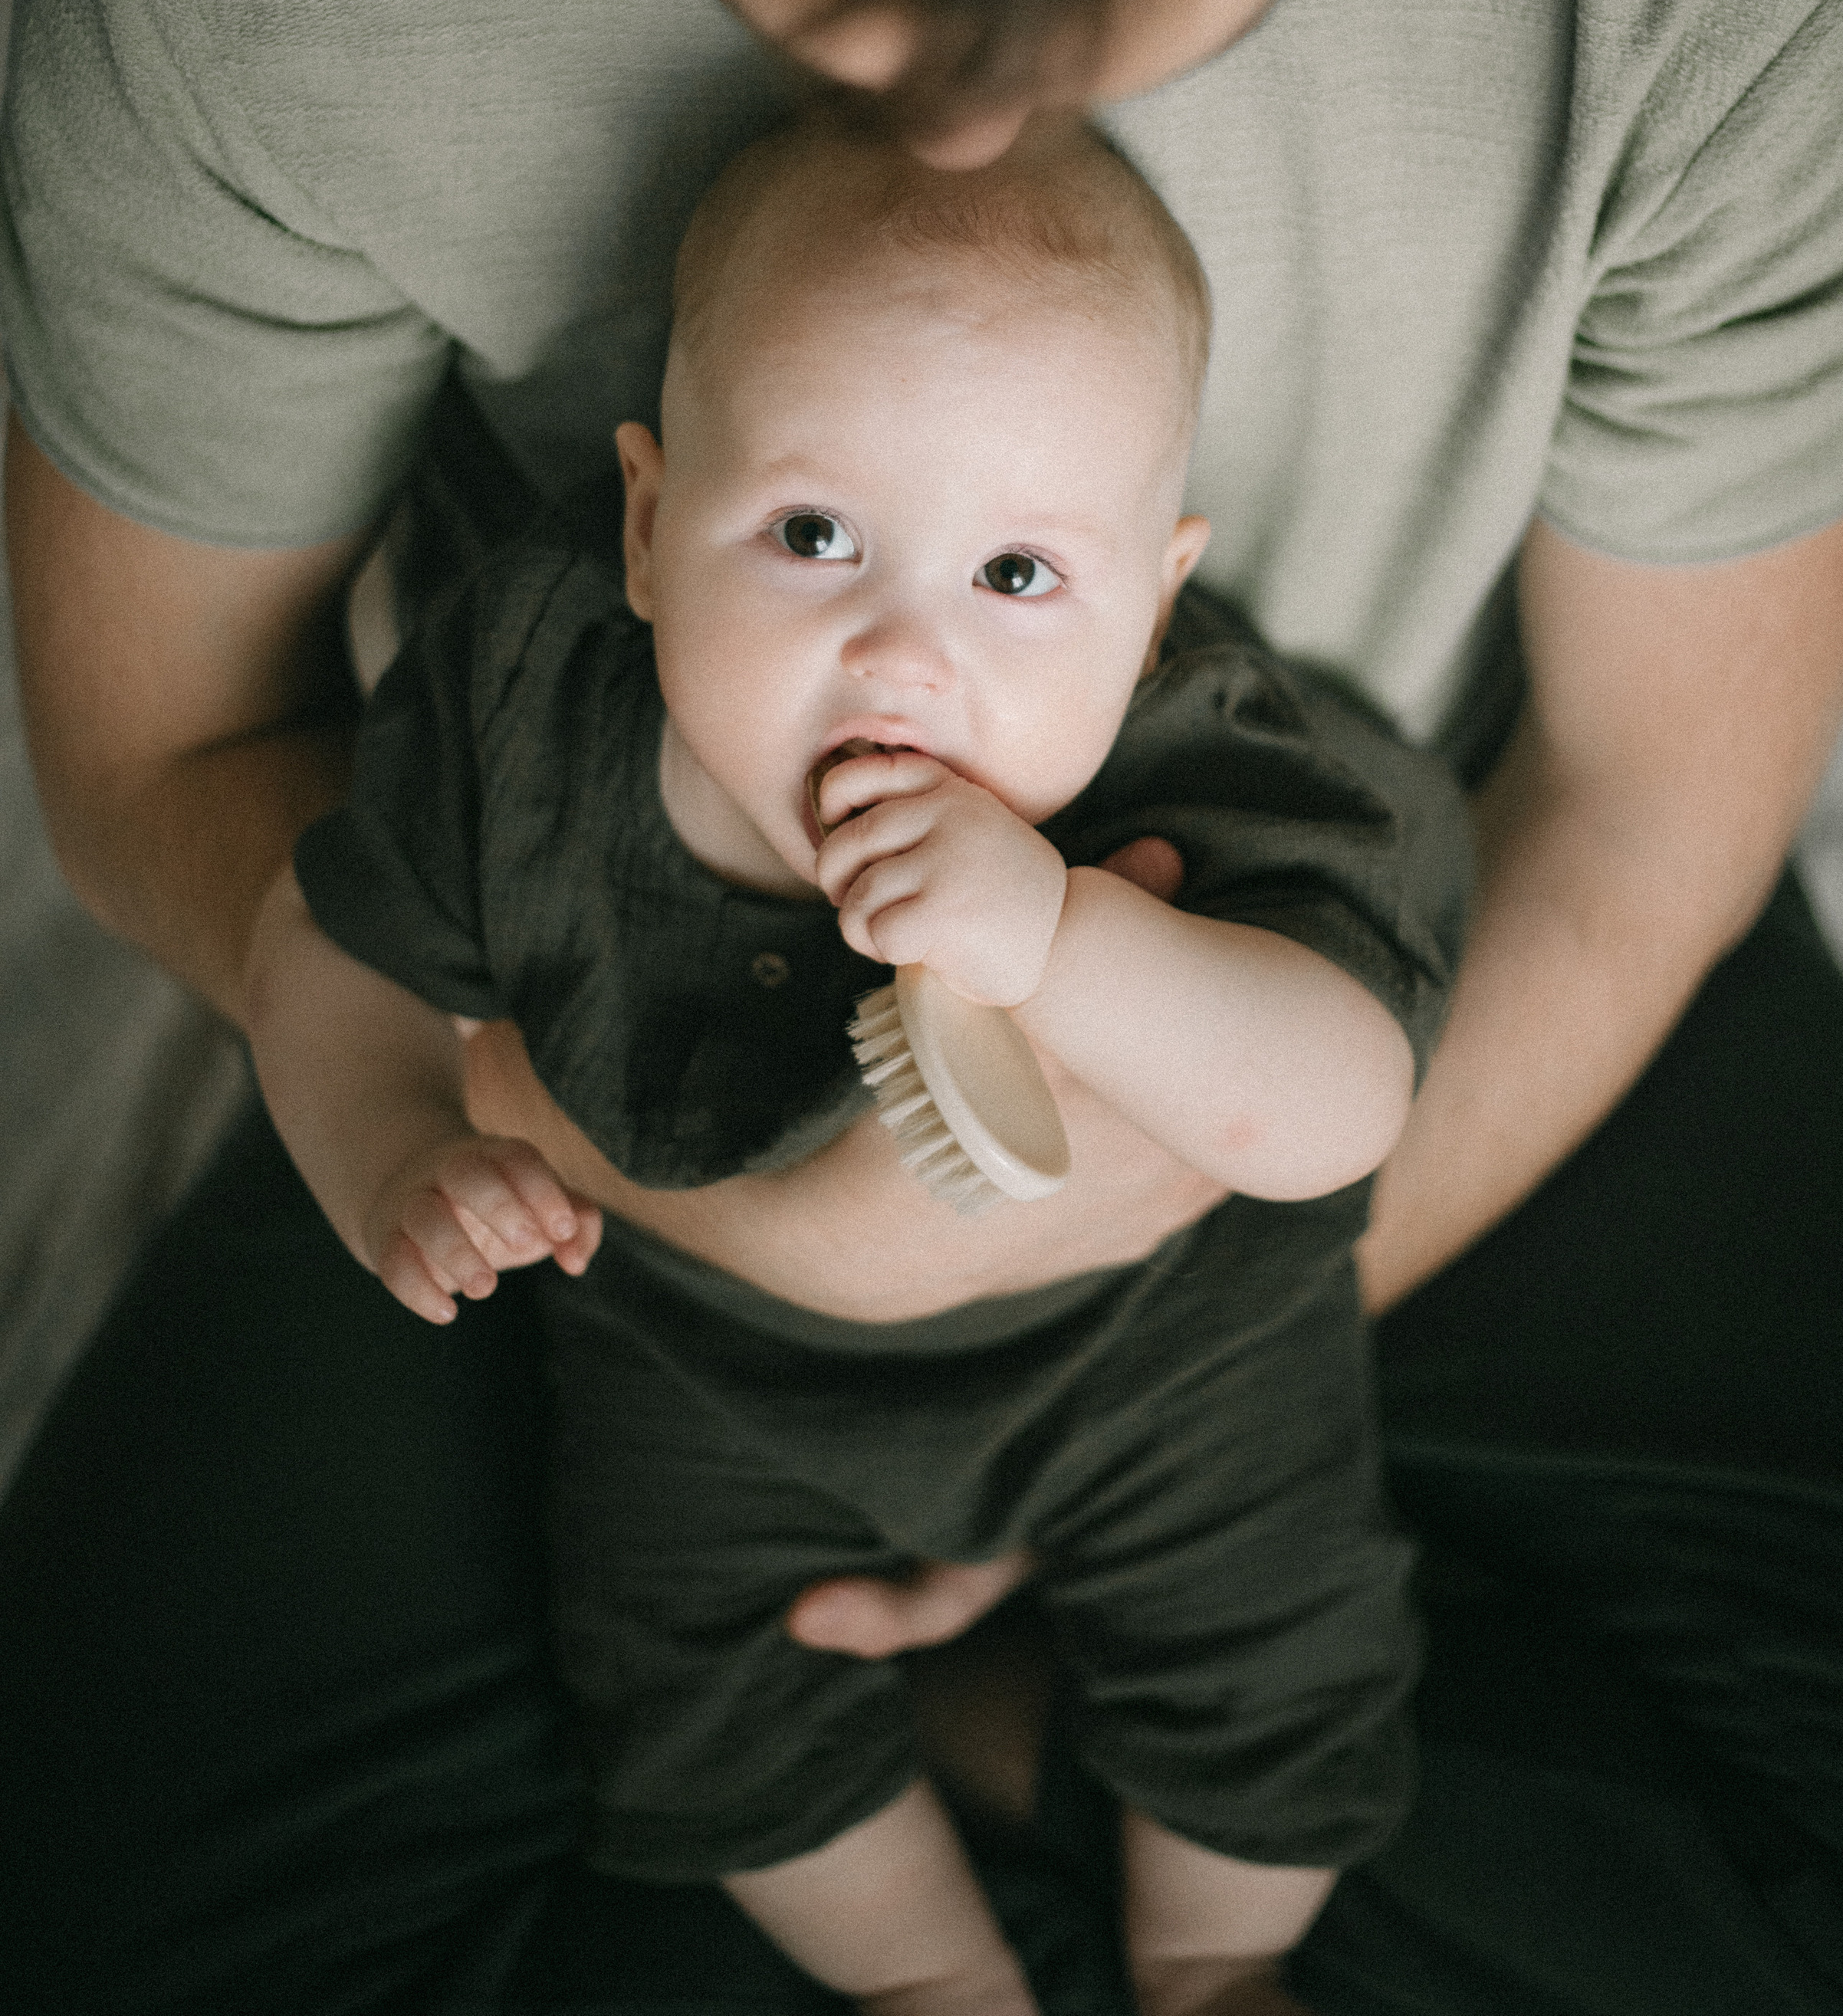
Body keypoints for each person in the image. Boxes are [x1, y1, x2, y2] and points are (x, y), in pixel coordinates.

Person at [2, 0, 1843, 2010]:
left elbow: (1650, 828)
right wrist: (612, 1195)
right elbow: (167, 752)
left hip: (1394, 929)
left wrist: (1097, 1354)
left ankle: (1041, 1766)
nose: (950, 103)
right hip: (579, 1047)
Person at [246, 113, 1470, 2016]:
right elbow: (327, 948)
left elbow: (1330, 1110)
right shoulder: (523, 695)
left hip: (1160, 1341)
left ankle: (1217, 1961)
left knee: (1279, 1651)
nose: (903, 652)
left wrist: (1061, 939)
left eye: (1015, 578)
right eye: (813, 538)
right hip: (695, 1356)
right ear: (650, 530)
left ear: (1150, 598)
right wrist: (395, 1140)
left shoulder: (1198, 751)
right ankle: (932, 1985)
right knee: (689, 1696)